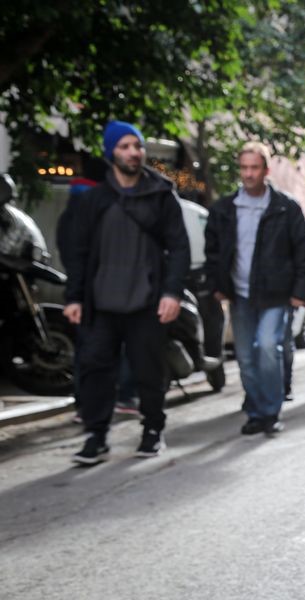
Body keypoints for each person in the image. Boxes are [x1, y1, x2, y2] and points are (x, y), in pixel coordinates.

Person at [63, 121, 190, 464]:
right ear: (111, 153)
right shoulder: (95, 200)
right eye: (125, 146)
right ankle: (97, 436)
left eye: (137, 146)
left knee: (148, 371)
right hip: (100, 302)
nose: (134, 152)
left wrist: (172, 293)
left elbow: (179, 248)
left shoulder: (161, 193)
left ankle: (152, 430)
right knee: (95, 369)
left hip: (146, 301)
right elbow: (79, 251)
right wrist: (74, 297)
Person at [204, 142, 305, 435]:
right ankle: (255, 410)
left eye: (255, 168)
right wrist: (217, 285)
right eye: (244, 168)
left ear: (266, 171)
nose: (249, 173)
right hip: (239, 295)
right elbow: (213, 251)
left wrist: (300, 292)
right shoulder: (224, 209)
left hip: (276, 295)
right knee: (245, 357)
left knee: (267, 347)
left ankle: (270, 410)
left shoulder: (285, 207)